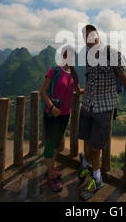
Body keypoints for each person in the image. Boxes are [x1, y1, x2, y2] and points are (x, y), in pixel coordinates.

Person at [77, 24, 126, 201]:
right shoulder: (88, 56)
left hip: (104, 107)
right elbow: (91, 78)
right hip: (87, 104)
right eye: (85, 36)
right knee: (88, 142)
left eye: (90, 35)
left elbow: (122, 76)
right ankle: (93, 173)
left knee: (96, 147)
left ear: (97, 36)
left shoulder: (111, 52)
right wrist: (83, 91)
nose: (88, 39)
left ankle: (91, 172)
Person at [40, 44, 83, 192]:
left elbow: (78, 91)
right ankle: (51, 176)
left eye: (73, 56)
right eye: (68, 55)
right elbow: (43, 92)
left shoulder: (74, 74)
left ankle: (51, 168)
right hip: (53, 114)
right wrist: (52, 107)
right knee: (51, 145)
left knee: (57, 144)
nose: (70, 58)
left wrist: (93, 89)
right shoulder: (54, 71)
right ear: (63, 56)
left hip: (65, 115)